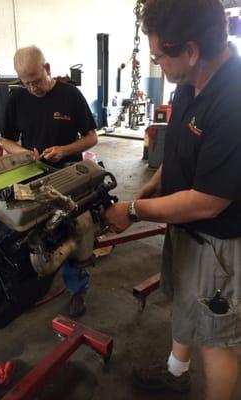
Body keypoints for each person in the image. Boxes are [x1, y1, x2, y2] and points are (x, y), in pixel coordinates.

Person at [104, 1, 241, 399]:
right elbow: (181, 148)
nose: (158, 64)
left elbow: (208, 202)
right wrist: (156, 185)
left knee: (217, 340)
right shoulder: (187, 84)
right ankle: (176, 372)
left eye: (160, 56)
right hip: (186, 229)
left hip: (218, 242)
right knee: (184, 299)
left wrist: (133, 210)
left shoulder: (233, 102)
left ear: (192, 50)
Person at [1, 45, 98, 317]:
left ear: (47, 69)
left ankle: (77, 288)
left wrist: (65, 149)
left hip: (68, 175)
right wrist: (23, 153)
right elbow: (5, 140)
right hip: (32, 176)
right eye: (26, 83)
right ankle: (33, 285)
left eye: (37, 80)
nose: (33, 88)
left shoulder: (70, 96)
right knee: (32, 233)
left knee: (70, 230)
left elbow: (92, 137)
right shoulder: (17, 100)